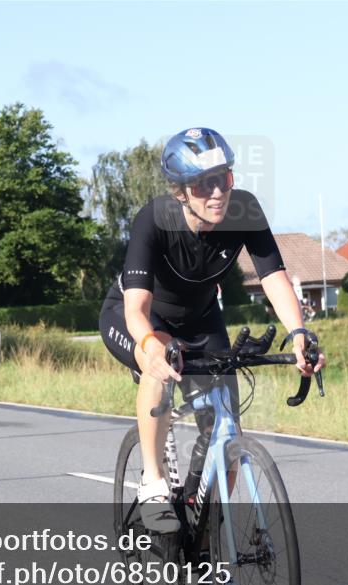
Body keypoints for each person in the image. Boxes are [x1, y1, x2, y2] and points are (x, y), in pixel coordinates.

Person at [99, 127, 325, 533]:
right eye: (204, 184)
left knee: (227, 436)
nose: (217, 192)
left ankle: (206, 539)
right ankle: (152, 480)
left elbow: (273, 277)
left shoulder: (245, 211)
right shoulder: (154, 219)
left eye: (223, 179)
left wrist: (298, 335)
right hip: (138, 316)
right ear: (181, 191)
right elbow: (136, 308)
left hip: (202, 320)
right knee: (158, 358)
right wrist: (150, 343)